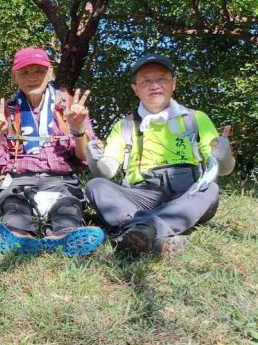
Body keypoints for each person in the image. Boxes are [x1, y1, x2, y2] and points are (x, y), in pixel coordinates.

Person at [85, 53, 235, 257]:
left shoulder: (195, 118)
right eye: (146, 81)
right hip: (141, 195)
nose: (154, 85)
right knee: (96, 186)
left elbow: (221, 169)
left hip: (186, 193)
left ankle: (137, 231)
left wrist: (223, 153)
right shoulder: (125, 126)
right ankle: (159, 238)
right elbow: (107, 172)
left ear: (173, 83)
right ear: (135, 89)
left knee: (210, 190)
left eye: (161, 79)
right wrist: (94, 157)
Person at [0, 47, 105, 257]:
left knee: (68, 208)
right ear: (14, 76)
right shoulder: (6, 111)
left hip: (62, 181)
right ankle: (18, 238)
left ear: (50, 73)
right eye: (24, 72)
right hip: (19, 182)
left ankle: (63, 238)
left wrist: (78, 129)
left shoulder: (70, 108)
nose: (32, 77)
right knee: (14, 208)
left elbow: (84, 158)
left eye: (38, 71)